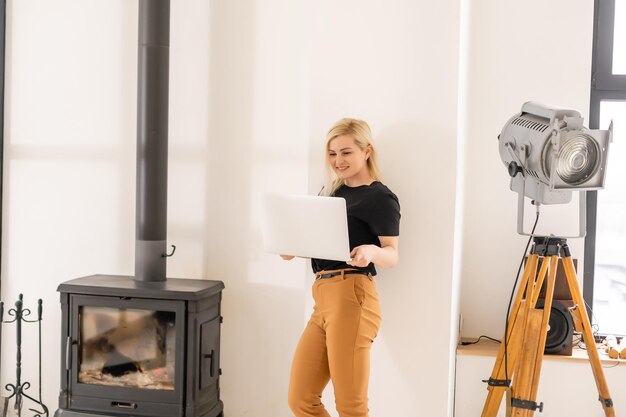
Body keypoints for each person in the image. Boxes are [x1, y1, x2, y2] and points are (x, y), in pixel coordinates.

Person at [283, 118, 400, 417]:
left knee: (351, 406)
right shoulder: (331, 193)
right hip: (322, 298)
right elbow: (321, 243)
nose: (338, 160)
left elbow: (392, 254)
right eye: (333, 153)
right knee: (301, 399)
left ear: (367, 150)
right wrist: (293, 248)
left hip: (353, 295)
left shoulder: (379, 197)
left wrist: (372, 250)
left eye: (346, 152)